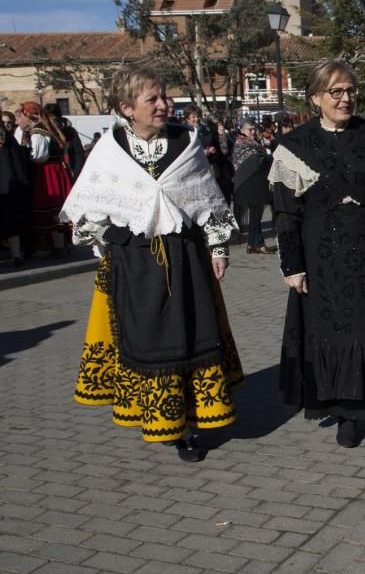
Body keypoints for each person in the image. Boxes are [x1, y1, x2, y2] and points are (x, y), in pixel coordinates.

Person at [62, 64, 243, 462]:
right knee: (146, 340)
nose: (164, 105)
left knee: (192, 332)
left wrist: (217, 249)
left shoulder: (187, 141)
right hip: (134, 264)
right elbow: (87, 207)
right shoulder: (109, 149)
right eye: (153, 99)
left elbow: (207, 200)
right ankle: (164, 419)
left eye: (165, 96)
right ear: (127, 108)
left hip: (185, 258)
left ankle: (193, 425)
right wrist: (115, 237)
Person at [269, 59, 365, 454]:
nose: (345, 98)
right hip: (323, 257)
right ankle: (350, 414)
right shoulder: (294, 146)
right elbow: (285, 213)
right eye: (336, 91)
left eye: (350, 90)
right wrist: (292, 265)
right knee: (338, 334)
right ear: (316, 98)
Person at [16, 102, 74, 254]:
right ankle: (60, 245)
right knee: (57, 208)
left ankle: (58, 247)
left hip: (48, 172)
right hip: (59, 170)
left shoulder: (38, 131)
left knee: (50, 207)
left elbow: (39, 156)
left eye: (22, 115)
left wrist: (25, 154)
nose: (20, 119)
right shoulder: (51, 126)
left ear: (29, 116)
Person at [232, 120, 274, 255]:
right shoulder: (242, 143)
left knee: (256, 216)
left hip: (255, 183)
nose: (253, 132)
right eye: (250, 129)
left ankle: (252, 244)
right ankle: (258, 243)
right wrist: (268, 158)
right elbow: (255, 161)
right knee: (255, 215)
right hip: (248, 183)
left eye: (254, 129)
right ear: (242, 130)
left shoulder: (253, 143)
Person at [0, 118, 30, 267]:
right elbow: (18, 159)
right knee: (10, 220)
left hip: (6, 182)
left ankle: (16, 255)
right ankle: (16, 255)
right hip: (8, 182)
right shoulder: (6, 134)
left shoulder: (6, 135)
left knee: (10, 220)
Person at [43, 103, 86, 179]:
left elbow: (78, 153)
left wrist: (77, 174)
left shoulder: (69, 130)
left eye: (53, 117)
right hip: (52, 171)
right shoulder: (45, 131)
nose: (52, 121)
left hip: (69, 168)